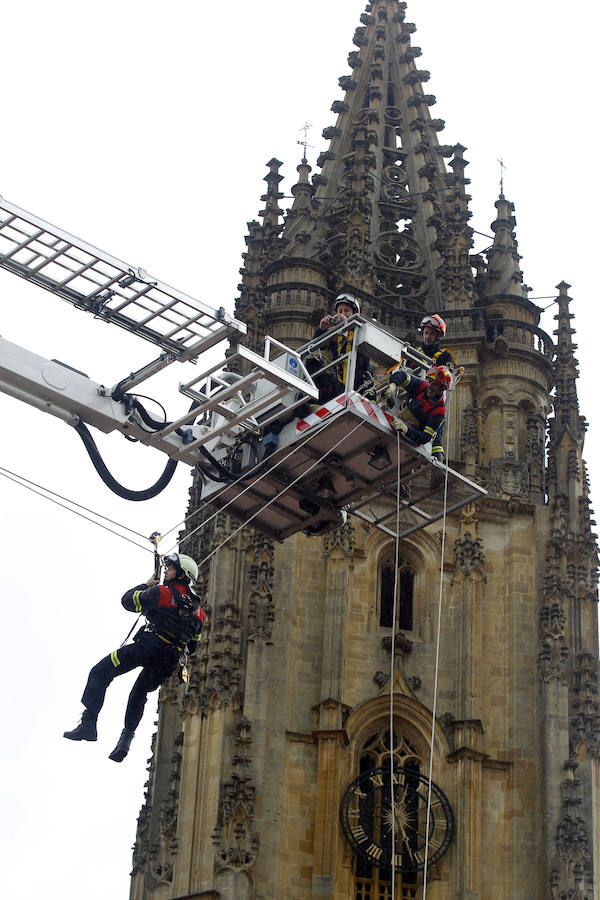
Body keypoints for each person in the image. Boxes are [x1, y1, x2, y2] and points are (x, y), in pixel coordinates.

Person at [64, 552, 206, 762]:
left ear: (181, 575)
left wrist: (145, 585)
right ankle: (125, 741)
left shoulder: (162, 593)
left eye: (170, 568)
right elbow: (192, 646)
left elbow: (127, 601)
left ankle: (88, 724)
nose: (166, 570)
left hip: (147, 648)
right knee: (139, 693)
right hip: (168, 661)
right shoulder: (200, 613)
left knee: (100, 672)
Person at [309, 292, 373, 402]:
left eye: (346, 311)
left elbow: (361, 350)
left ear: (354, 314)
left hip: (357, 386)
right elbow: (316, 346)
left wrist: (347, 326)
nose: (342, 314)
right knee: (312, 364)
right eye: (339, 311)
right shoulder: (336, 337)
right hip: (339, 385)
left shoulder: (361, 331)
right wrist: (321, 329)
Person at [383, 364, 451, 454]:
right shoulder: (423, 386)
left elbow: (425, 437)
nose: (430, 385)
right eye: (430, 381)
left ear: (442, 388)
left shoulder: (439, 411)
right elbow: (402, 375)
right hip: (396, 426)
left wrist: (407, 429)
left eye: (434, 384)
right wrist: (393, 385)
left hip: (409, 442)